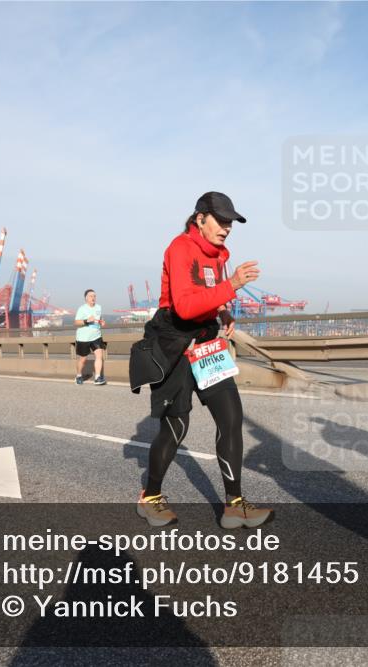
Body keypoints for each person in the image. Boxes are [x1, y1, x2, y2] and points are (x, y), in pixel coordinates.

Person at [136, 191, 272, 530]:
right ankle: (150, 497)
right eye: (221, 221)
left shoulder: (220, 254)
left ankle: (234, 506)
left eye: (231, 223)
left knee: (231, 417)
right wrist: (233, 286)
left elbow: (206, 295)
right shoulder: (180, 248)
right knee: (176, 426)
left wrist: (223, 311)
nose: (227, 228)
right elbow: (183, 306)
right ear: (200, 218)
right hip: (174, 344)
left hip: (207, 344)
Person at [74, 289, 107, 385]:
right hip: (83, 338)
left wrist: (101, 322)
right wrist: (86, 321)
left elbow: (98, 319)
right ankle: (79, 375)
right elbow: (76, 322)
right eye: (91, 296)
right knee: (83, 359)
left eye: (94, 296)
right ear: (86, 298)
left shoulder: (99, 307)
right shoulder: (82, 309)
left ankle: (97, 378)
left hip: (96, 336)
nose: (93, 298)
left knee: (99, 355)